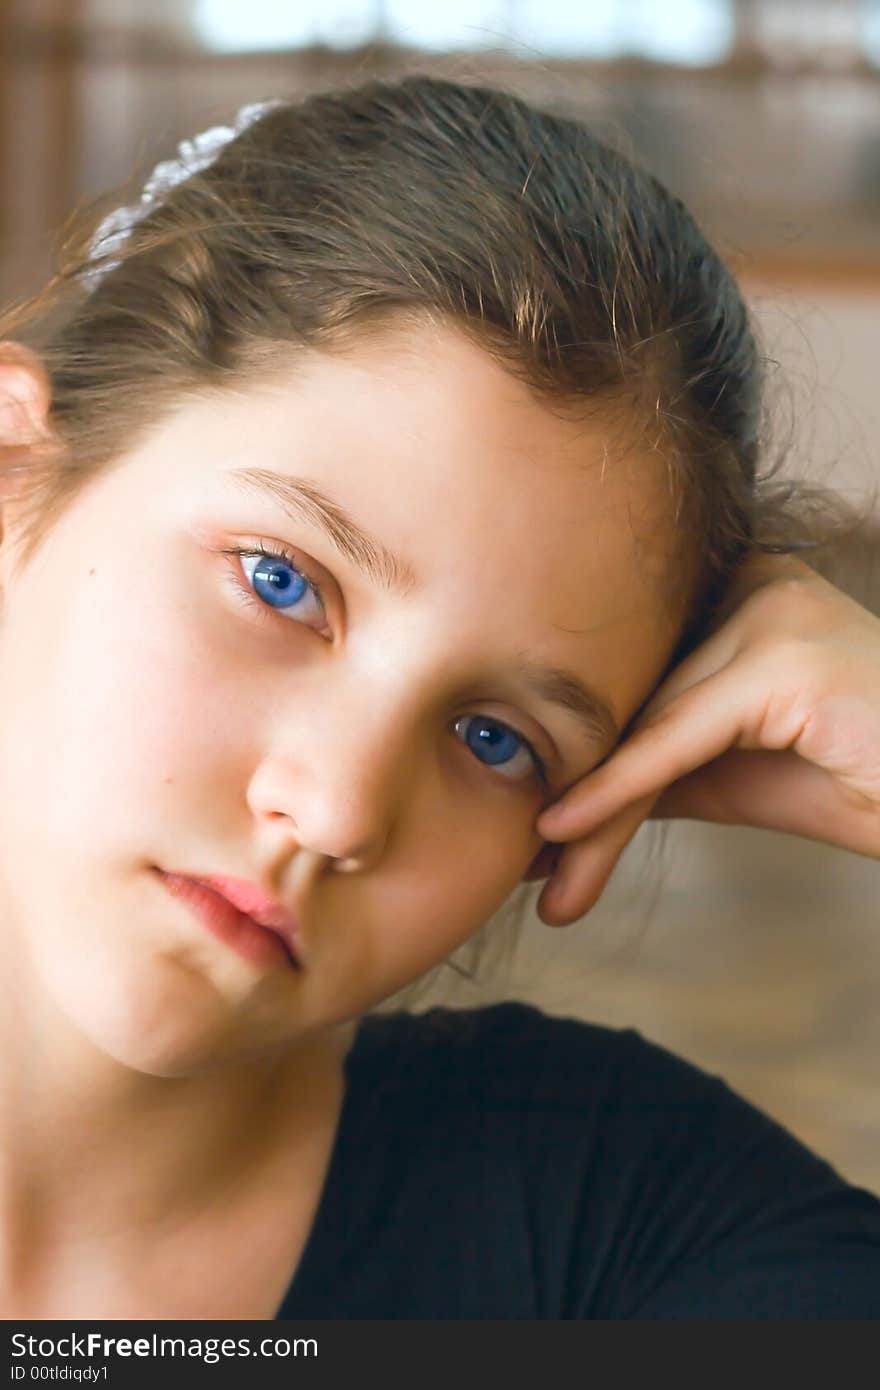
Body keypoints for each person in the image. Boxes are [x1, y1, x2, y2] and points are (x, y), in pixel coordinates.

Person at [0, 75, 878, 1321]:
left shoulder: (620, 1224)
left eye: (493, 739)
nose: (340, 808)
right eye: (280, 581)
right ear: (16, 478)